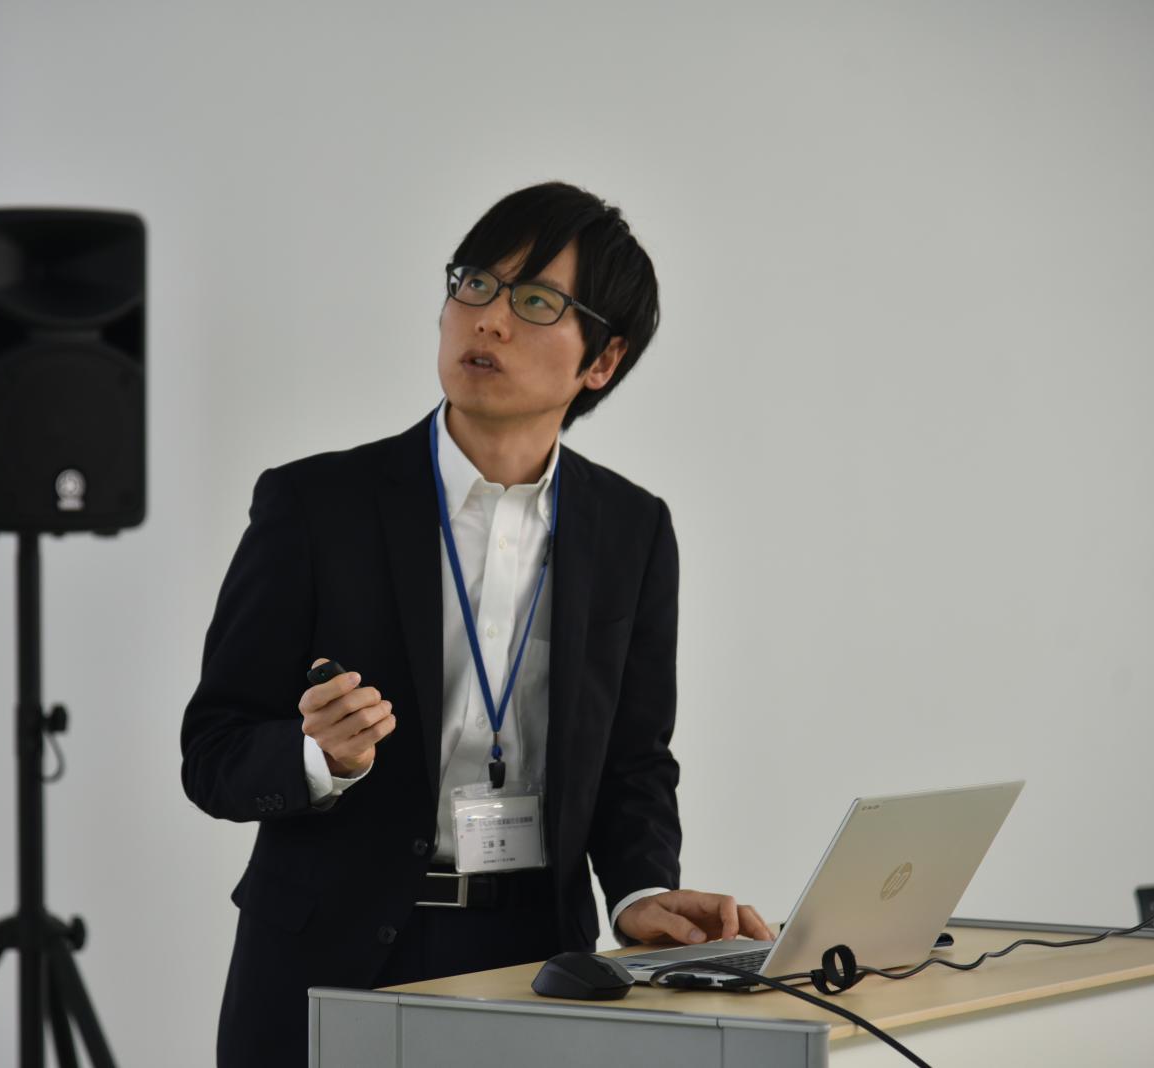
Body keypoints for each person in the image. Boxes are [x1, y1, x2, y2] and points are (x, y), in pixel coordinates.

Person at [180, 181, 768, 1067]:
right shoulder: (316, 506)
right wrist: (317, 757)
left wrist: (640, 891)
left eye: (536, 302)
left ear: (602, 360)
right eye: (475, 284)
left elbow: (634, 760)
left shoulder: (632, 529)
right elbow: (213, 750)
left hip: (537, 960)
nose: (487, 319)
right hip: (327, 958)